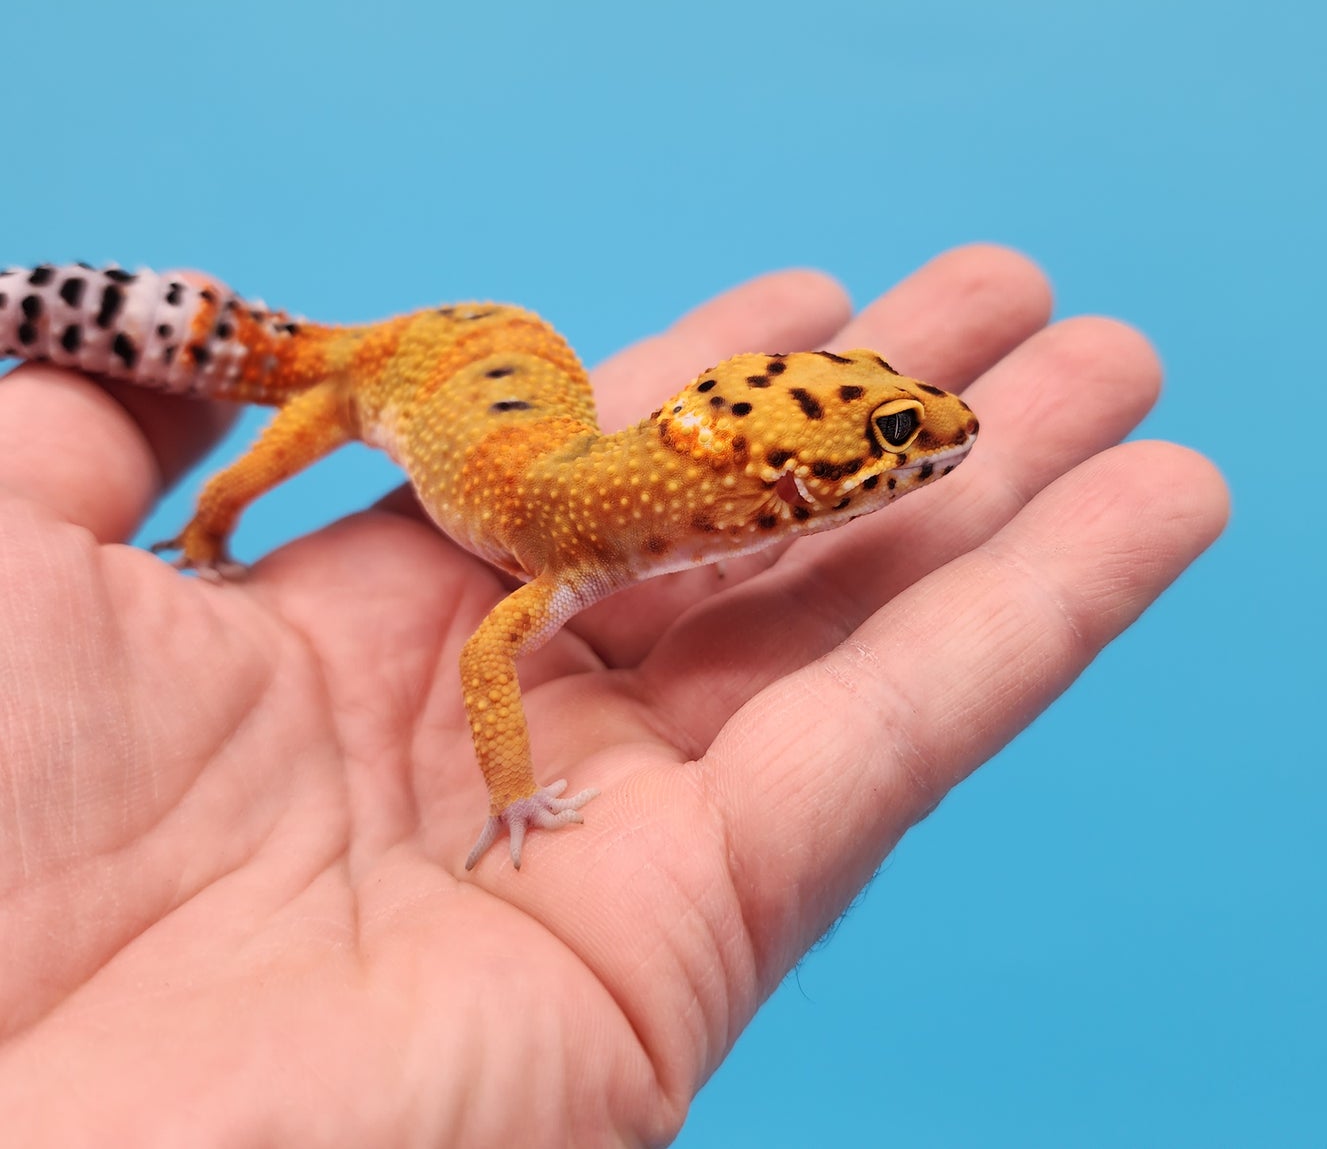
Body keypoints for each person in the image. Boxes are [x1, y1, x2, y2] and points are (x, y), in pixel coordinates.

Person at [0, 246, 1227, 1143]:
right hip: (396, 368)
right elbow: (488, 655)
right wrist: (215, 532)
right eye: (894, 434)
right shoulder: (578, 544)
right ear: (784, 498)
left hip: (492, 354)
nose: (931, 441)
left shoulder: (636, 515)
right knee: (280, 408)